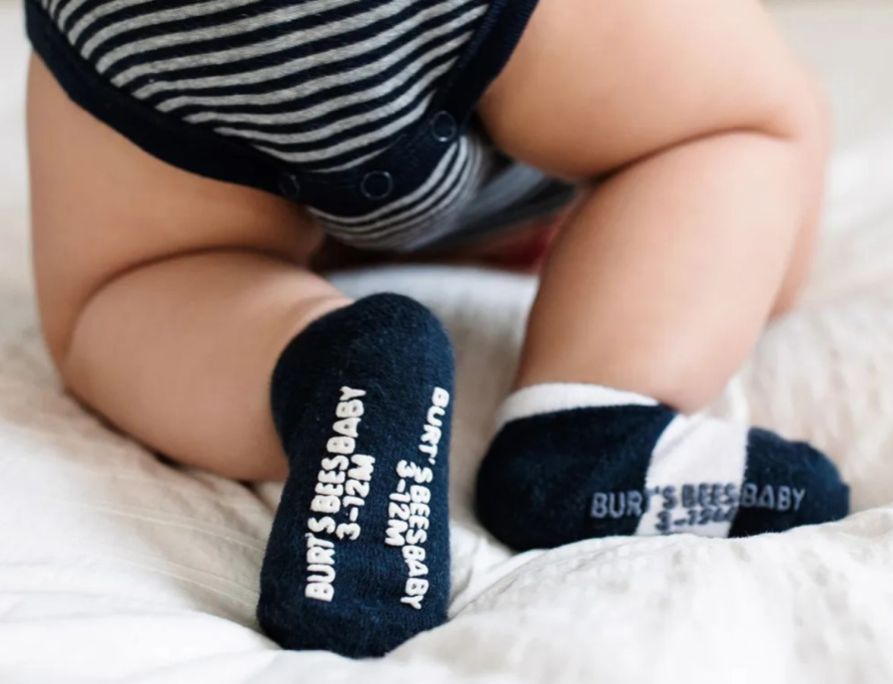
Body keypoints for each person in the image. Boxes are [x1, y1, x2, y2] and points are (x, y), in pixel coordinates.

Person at [24, 0, 849, 659]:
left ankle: (342, 372)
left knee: (135, 285)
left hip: (151, 27)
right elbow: (758, 202)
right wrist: (762, 252)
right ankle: (593, 424)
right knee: (732, 128)